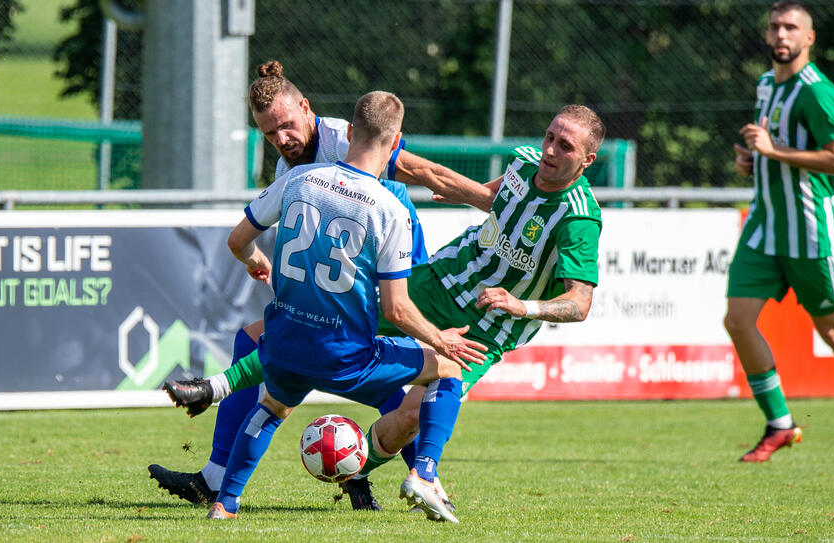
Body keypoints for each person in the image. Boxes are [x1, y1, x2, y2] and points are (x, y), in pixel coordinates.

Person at [168, 104, 604, 511]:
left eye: (564, 146)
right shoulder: (523, 160)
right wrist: (459, 193)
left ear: (587, 160)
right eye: (549, 136)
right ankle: (216, 472)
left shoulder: (578, 218)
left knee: (411, 414)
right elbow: (494, 197)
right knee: (263, 333)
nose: (550, 149)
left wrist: (521, 305)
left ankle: (366, 472)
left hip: (487, 326)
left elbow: (579, 302)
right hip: (434, 284)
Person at [147, 60, 487, 508]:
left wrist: (490, 200)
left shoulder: (348, 136)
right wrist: (266, 265)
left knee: (329, 362)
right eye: (270, 134)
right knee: (281, 347)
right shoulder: (290, 171)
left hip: (394, 279)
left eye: (287, 126)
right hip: (350, 286)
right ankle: (374, 475)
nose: (281, 139)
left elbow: (426, 172)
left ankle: (405, 474)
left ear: (307, 109)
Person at [728, 1, 834, 464]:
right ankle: (779, 424)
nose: (781, 34)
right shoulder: (764, 85)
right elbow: (772, 152)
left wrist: (774, 151)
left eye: (791, 27)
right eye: (775, 26)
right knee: (737, 320)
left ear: (809, 38)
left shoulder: (818, 92)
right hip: (765, 225)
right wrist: (753, 160)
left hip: (810, 230)